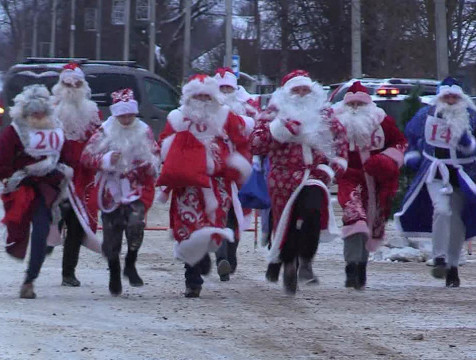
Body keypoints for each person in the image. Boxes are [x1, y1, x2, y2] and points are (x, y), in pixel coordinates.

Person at [250, 70, 348, 295]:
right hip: (283, 178)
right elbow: (256, 144)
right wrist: (280, 130)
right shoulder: (273, 113)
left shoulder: (324, 114)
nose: (302, 94)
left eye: (306, 90)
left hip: (314, 174)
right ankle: (288, 262)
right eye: (297, 90)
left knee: (313, 212)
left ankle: (306, 258)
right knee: (286, 223)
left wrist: (336, 163)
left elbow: (340, 138)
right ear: (287, 93)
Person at [157, 74, 251, 297]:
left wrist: (237, 164)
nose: (201, 100)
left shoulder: (226, 116)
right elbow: (163, 145)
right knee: (188, 230)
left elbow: (243, 141)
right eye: (197, 95)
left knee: (213, 227)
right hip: (187, 186)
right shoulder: (177, 118)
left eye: (206, 95)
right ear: (189, 97)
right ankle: (192, 280)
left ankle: (202, 258)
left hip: (216, 185)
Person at [395, 77, 476, 287]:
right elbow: (412, 137)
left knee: (458, 220)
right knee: (442, 210)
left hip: (461, 172)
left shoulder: (471, 116)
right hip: (435, 170)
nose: (450, 99)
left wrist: (469, 144)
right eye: (446, 95)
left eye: (454, 96)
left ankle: (453, 265)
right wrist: (412, 155)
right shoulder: (426, 115)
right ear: (440, 96)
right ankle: (439, 256)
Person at [81, 88, 159, 296]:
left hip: (136, 190)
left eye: (130, 115)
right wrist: (106, 160)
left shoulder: (144, 130)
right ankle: (114, 271)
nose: (126, 119)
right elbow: (86, 157)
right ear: (115, 114)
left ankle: (131, 263)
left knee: (136, 226)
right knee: (111, 239)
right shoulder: (104, 131)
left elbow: (155, 156)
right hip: (111, 192)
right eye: (122, 115)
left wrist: (145, 165)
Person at [0, 85, 73, 298]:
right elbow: (3, 158)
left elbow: (66, 156)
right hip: (20, 187)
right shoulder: (14, 131)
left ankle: (30, 280)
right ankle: (19, 251)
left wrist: (63, 169)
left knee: (41, 231)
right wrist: (9, 175)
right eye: (34, 112)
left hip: (46, 188)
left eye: (41, 112)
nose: (38, 115)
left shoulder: (56, 129)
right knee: (17, 228)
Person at [333, 81, 407, 289]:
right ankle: (351, 266)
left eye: (359, 104)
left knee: (368, 224)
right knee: (353, 218)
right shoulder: (336, 122)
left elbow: (399, 143)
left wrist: (386, 160)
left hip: (375, 181)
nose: (355, 108)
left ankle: (361, 264)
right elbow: (324, 144)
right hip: (349, 176)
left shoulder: (383, 121)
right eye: (352, 104)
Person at [51, 62, 102, 287]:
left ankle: (68, 272)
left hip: (82, 176)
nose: (72, 86)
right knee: (51, 219)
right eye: (67, 82)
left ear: (83, 85)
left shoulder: (92, 112)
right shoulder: (50, 110)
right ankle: (42, 251)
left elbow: (99, 141)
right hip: (54, 175)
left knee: (76, 224)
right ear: (61, 84)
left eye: (77, 82)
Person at [212, 68, 256, 281]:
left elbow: (256, 133)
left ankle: (231, 252)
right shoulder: (207, 108)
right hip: (215, 169)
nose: (225, 92)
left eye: (228, 87)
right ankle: (222, 257)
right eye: (221, 88)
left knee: (235, 215)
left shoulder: (247, 109)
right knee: (219, 212)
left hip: (239, 170)